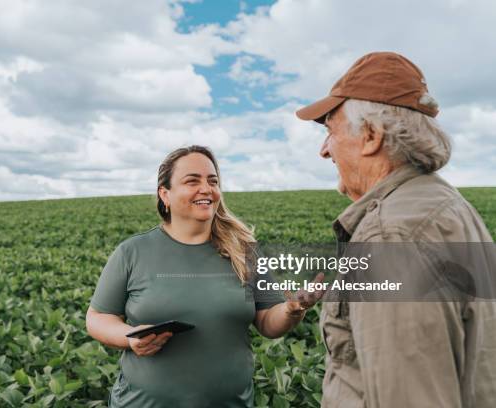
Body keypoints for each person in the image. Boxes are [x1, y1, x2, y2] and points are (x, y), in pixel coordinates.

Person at [296, 51, 496, 407]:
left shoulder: (390, 238)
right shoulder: (447, 206)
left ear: (371, 136)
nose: (324, 151)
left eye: (330, 131)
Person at [85, 145, 323, 408]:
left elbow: (268, 322)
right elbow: (98, 318)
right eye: (192, 181)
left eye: (213, 181)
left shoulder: (244, 252)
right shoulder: (132, 252)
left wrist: (293, 309)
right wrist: (128, 337)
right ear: (165, 194)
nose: (206, 188)